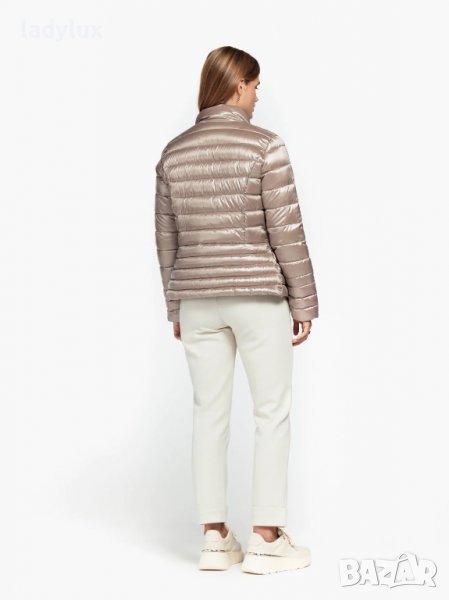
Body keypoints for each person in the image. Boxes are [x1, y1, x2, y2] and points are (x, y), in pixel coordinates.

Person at [154, 46, 319, 575]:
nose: (257, 96)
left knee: (208, 413)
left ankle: (214, 537)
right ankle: (267, 539)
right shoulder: (265, 146)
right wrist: (304, 301)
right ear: (238, 85)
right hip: (257, 296)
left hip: (197, 300)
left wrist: (175, 304)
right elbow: (286, 231)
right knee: (271, 411)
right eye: (255, 86)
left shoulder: (173, 153)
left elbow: (166, 239)